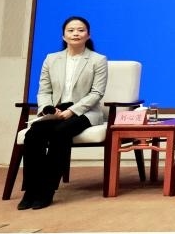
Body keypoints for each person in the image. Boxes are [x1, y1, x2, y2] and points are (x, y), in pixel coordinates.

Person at [19, 16, 108, 210]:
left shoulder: (98, 60)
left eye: (81, 30)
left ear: (88, 35)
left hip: (84, 112)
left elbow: (96, 93)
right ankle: (31, 190)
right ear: (63, 35)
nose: (76, 33)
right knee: (33, 135)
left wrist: (71, 111)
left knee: (60, 133)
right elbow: (44, 91)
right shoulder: (51, 59)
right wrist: (47, 109)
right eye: (71, 30)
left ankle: (47, 190)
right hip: (56, 111)